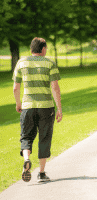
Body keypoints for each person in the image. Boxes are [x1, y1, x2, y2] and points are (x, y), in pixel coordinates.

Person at [12, 37, 62, 183]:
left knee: (26, 136)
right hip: (46, 107)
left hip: (27, 106)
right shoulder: (49, 63)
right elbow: (55, 87)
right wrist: (59, 108)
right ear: (43, 49)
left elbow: (16, 87)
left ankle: (27, 159)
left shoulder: (21, 62)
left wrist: (18, 103)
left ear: (31, 49)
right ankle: (41, 173)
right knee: (44, 138)